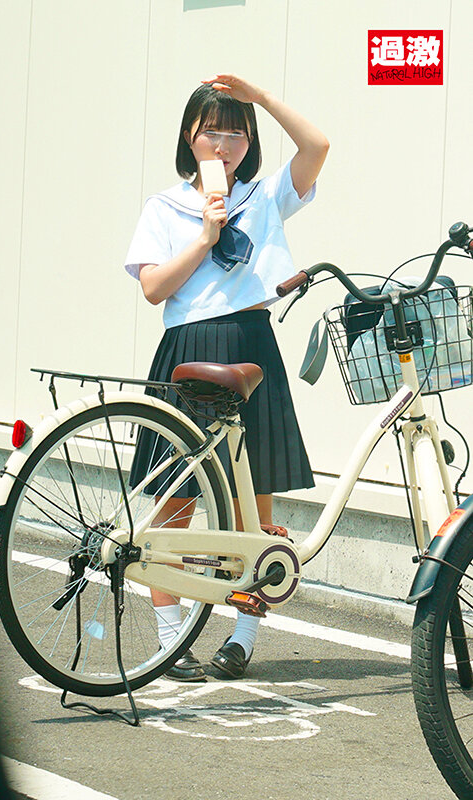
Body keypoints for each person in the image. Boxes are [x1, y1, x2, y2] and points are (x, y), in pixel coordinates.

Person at [124, 74, 329, 681]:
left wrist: (260, 97)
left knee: (252, 507)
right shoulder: (164, 206)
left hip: (249, 348)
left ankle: (242, 638)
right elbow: (153, 288)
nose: (224, 144)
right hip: (188, 349)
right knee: (174, 504)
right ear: (189, 136)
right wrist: (205, 237)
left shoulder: (264, 197)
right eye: (211, 131)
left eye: (237, 133)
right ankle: (171, 639)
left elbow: (317, 146)